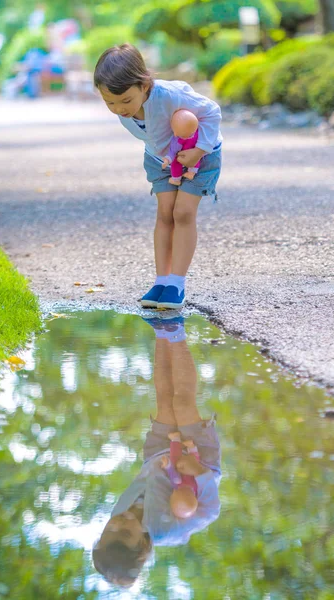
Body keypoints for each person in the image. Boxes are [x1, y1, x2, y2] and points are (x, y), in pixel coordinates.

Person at [92, 314, 221, 587]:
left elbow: (146, 483)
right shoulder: (166, 532)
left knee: (164, 398)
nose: (119, 522)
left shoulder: (118, 514)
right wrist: (199, 473)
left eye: (109, 530)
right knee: (183, 403)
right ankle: (176, 330)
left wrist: (157, 459)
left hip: (156, 455)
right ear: (142, 546)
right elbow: (209, 512)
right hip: (196, 461)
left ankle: (162, 330)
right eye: (125, 533)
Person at [94, 44, 223, 310]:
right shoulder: (124, 106)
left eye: (126, 101)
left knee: (183, 213)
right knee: (165, 213)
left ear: (144, 85)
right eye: (110, 103)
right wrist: (166, 157)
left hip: (200, 154)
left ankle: (176, 284)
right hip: (159, 159)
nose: (120, 109)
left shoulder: (169, 95)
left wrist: (198, 151)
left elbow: (212, 112)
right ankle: (161, 281)